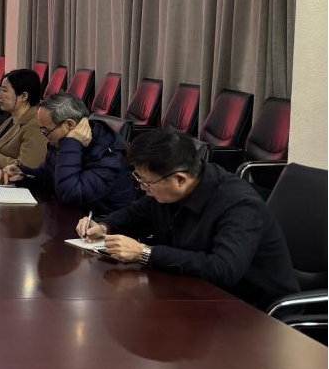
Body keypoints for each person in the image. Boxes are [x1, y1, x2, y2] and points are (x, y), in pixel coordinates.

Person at [76, 129, 298, 309]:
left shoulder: (238, 204)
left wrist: (144, 252)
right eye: (139, 179)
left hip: (252, 310)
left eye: (147, 182)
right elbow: (138, 213)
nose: (143, 189)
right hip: (195, 294)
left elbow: (223, 269)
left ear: (180, 179)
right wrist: (104, 226)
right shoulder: (169, 188)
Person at [0, 92, 135, 214]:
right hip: (72, 218)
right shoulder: (60, 141)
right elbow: (49, 177)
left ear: (70, 125)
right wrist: (23, 174)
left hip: (103, 226)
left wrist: (71, 143)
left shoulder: (109, 154)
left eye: (46, 131)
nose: (45, 137)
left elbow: (69, 194)